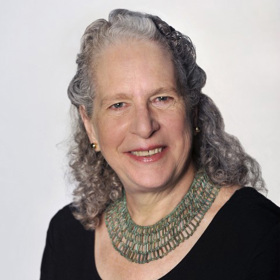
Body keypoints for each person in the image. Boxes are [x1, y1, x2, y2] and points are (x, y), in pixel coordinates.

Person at [40, 9, 280, 280]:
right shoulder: (67, 236)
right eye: (118, 105)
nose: (144, 126)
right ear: (90, 125)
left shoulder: (260, 234)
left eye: (162, 98)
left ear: (191, 110)